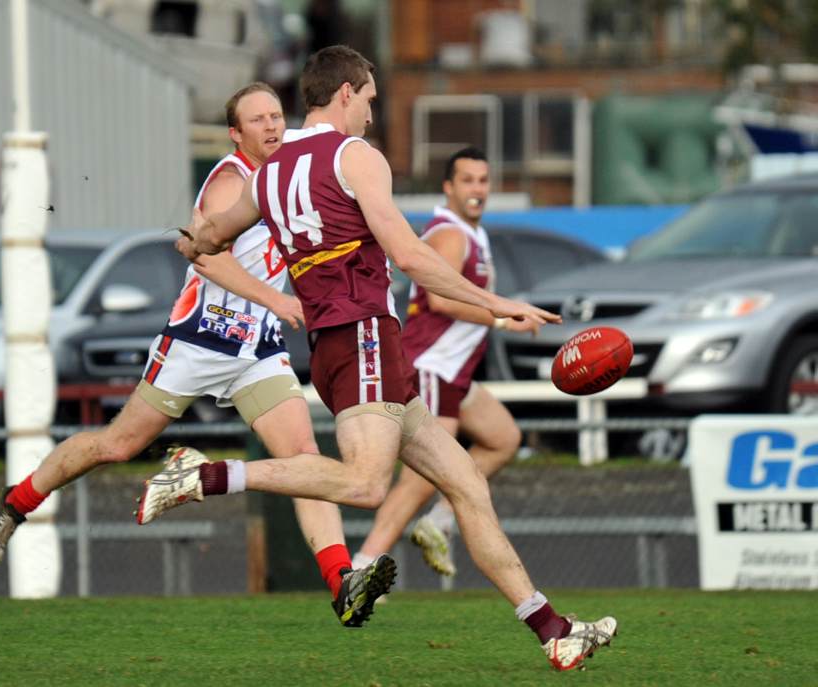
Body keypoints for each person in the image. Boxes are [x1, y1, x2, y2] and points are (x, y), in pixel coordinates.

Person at [146, 46, 618, 671]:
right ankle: (204, 477)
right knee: (368, 484)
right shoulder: (355, 156)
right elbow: (411, 256)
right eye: (369, 98)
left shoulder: (269, 170)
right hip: (362, 334)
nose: (372, 112)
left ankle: (553, 631)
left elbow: (210, 235)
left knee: (466, 482)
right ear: (345, 92)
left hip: (343, 346)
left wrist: (192, 241)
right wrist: (497, 304)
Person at [0, 82, 397, 627]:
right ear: (235, 134)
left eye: (275, 116)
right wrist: (276, 299)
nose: (271, 126)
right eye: (257, 120)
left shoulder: (288, 169)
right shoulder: (230, 180)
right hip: (199, 339)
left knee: (302, 459)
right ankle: (13, 505)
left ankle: (341, 583)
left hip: (255, 348)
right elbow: (207, 258)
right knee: (117, 445)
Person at [351, 147, 532, 579]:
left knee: (502, 438)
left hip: (454, 372)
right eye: (467, 180)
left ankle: (439, 520)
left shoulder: (472, 233)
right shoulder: (450, 234)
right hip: (430, 367)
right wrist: (503, 317)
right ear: (448, 187)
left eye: (483, 180)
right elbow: (440, 300)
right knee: (418, 480)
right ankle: (362, 567)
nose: (477, 189)